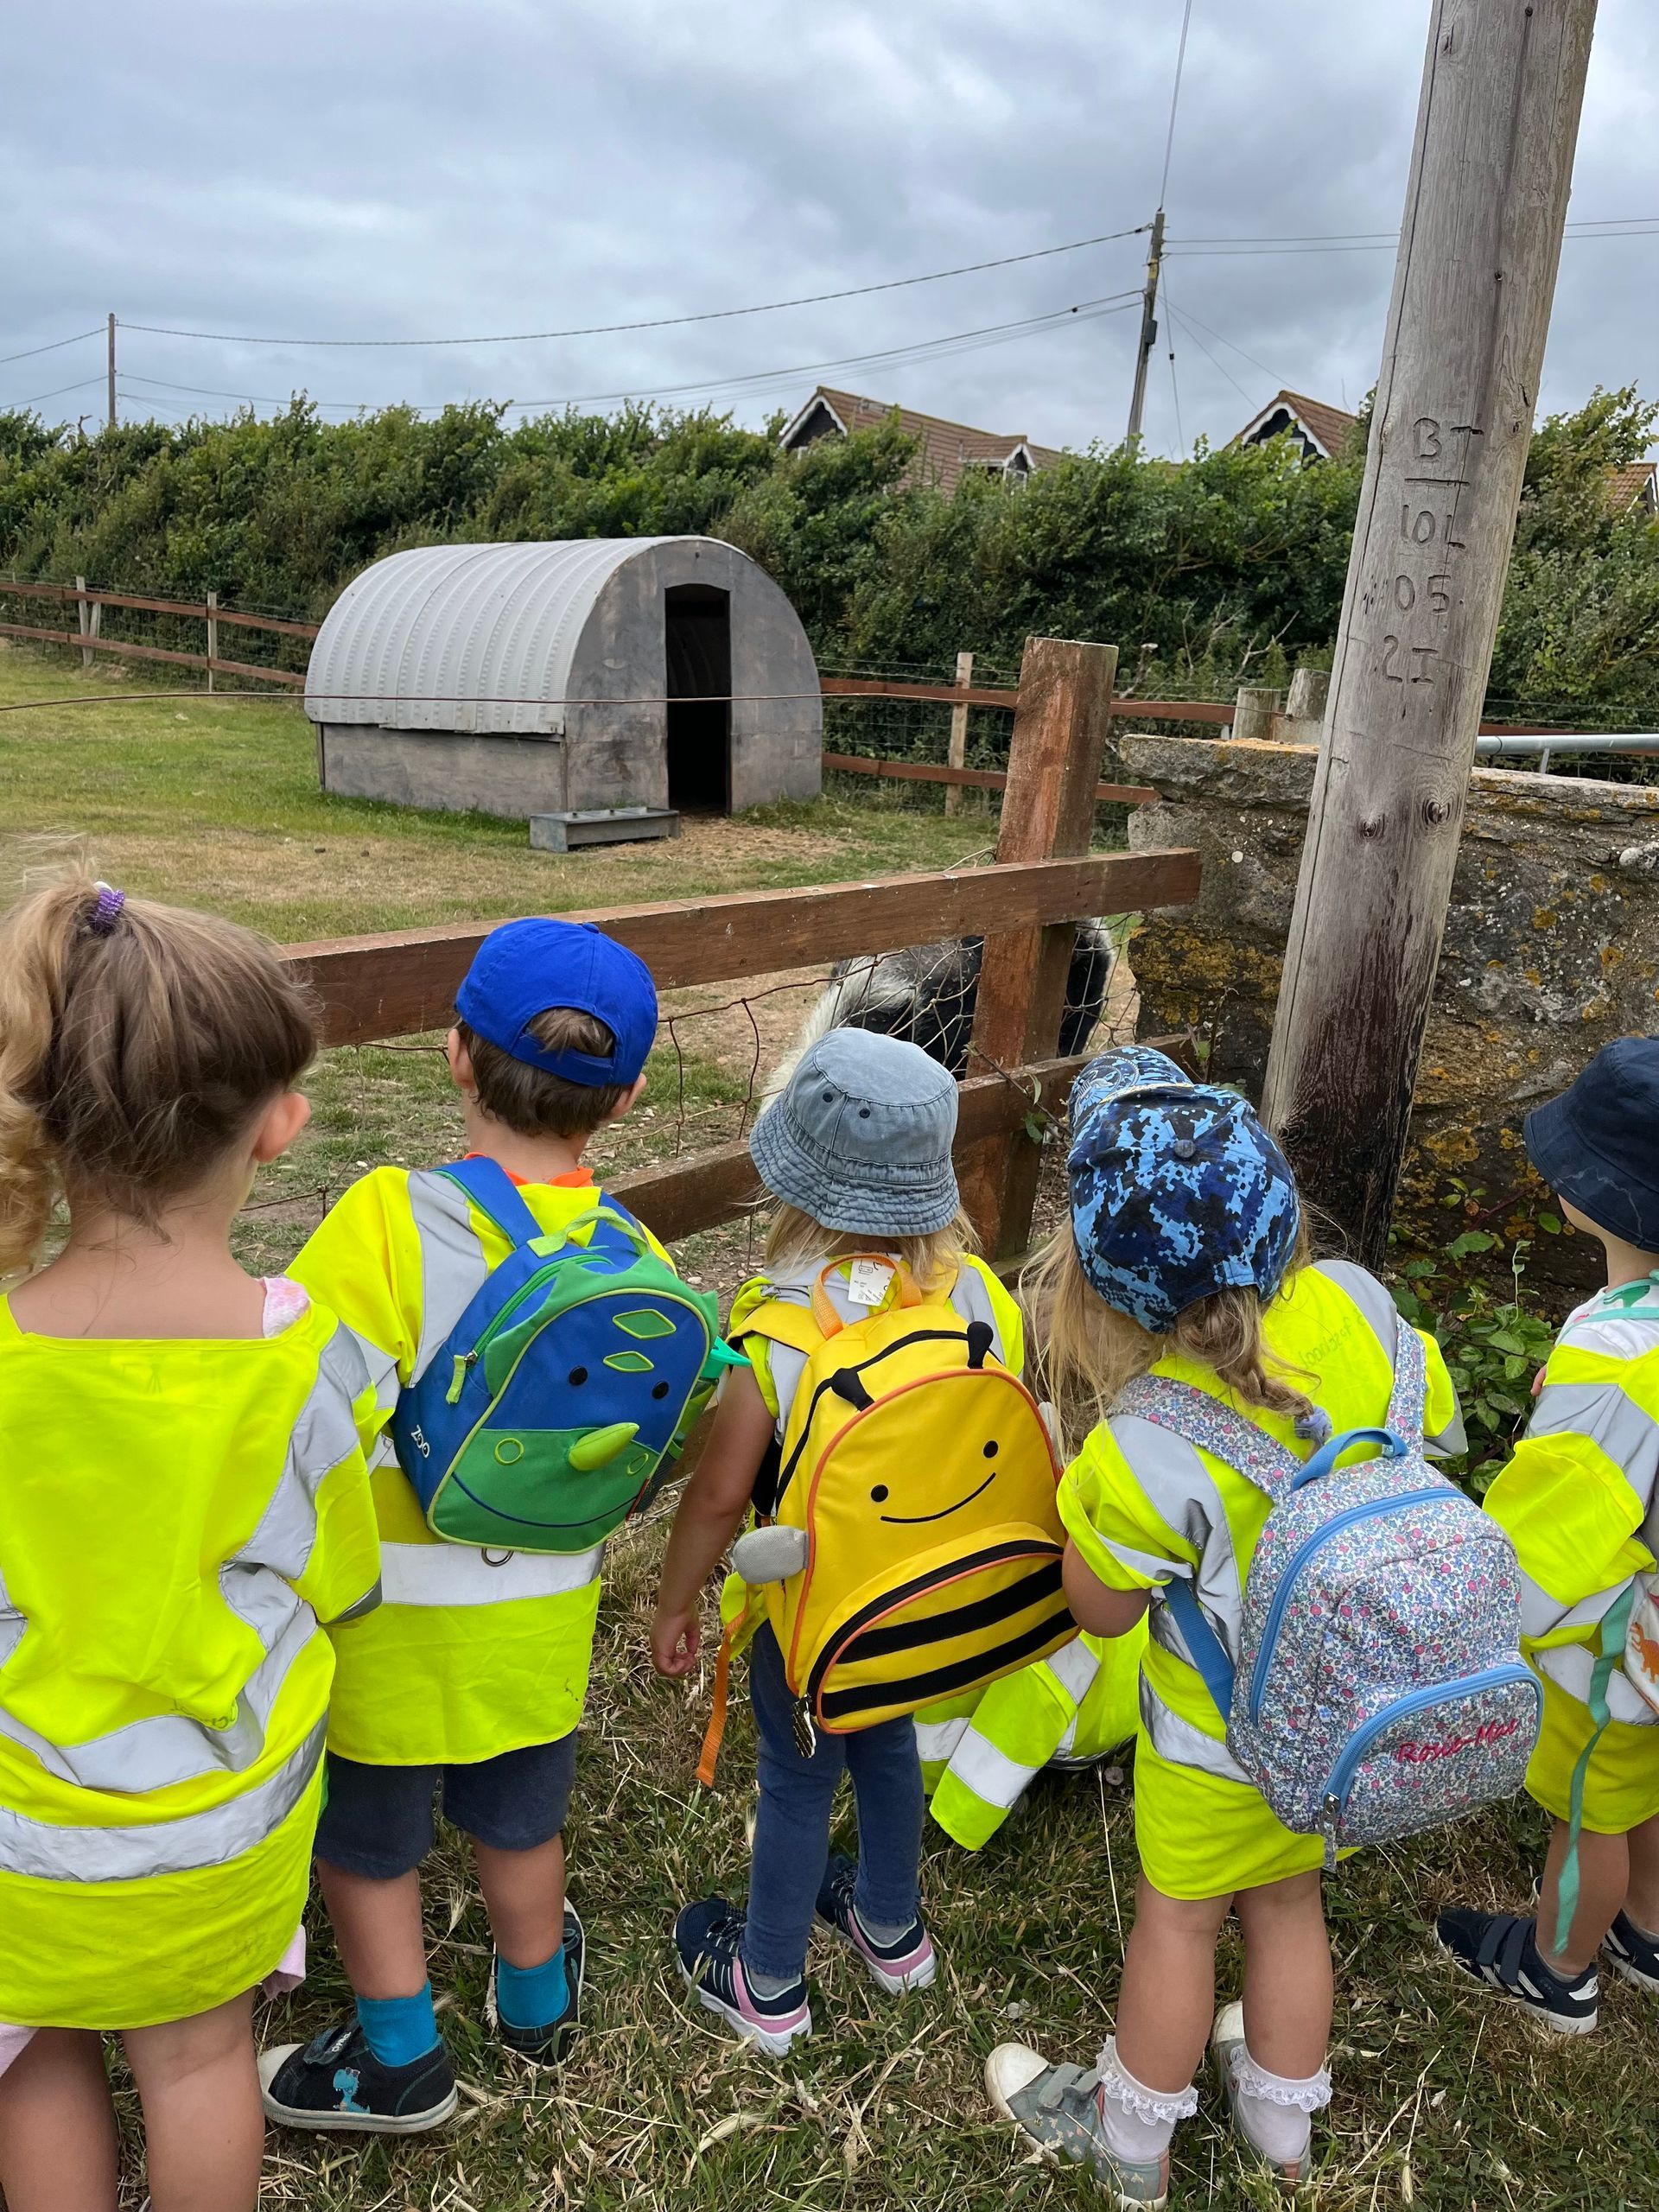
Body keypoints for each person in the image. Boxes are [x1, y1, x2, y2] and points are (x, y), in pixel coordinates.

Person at [985, 1046, 1462, 2204]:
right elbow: (1433, 1427)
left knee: (1180, 1925)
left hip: (1214, 1746)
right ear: (1287, 1215)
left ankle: (1131, 2142)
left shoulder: (1146, 1442)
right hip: (1345, 1718)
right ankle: (1281, 2128)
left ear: (1101, 1289)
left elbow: (1096, 1606)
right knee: (1293, 1906)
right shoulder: (1359, 1305)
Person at [0, 876, 380, 2212]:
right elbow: (346, 1583)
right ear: (280, 1129)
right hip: (221, 1834)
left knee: (37, 2049)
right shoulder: (314, 1366)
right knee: (201, 2056)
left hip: (24, 1841)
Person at [258, 918, 663, 2131]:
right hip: (536, 1626)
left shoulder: (388, 1218)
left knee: (371, 1841)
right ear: (631, 1095)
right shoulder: (627, 1249)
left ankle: (400, 2054)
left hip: (389, 1622)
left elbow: (309, 1406)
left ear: (455, 1056)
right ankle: (536, 2005)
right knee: (522, 1819)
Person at [651, 1028, 1029, 2053]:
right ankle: (892, 1929)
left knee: (799, 1770)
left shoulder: (779, 1332)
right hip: (920, 1596)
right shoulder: (979, 1293)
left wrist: (677, 1598)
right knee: (891, 1738)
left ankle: (767, 1980)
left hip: (810, 1612)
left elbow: (723, 1492)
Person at [1439, 1039, 1659, 2034]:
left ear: (1603, 1196)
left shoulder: (1614, 1351)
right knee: (1640, 1782)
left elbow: (1552, 1521)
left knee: (1588, 1805)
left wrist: (1491, 1608)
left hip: (1615, 1642)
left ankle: (1558, 1964)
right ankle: (1648, 1931)